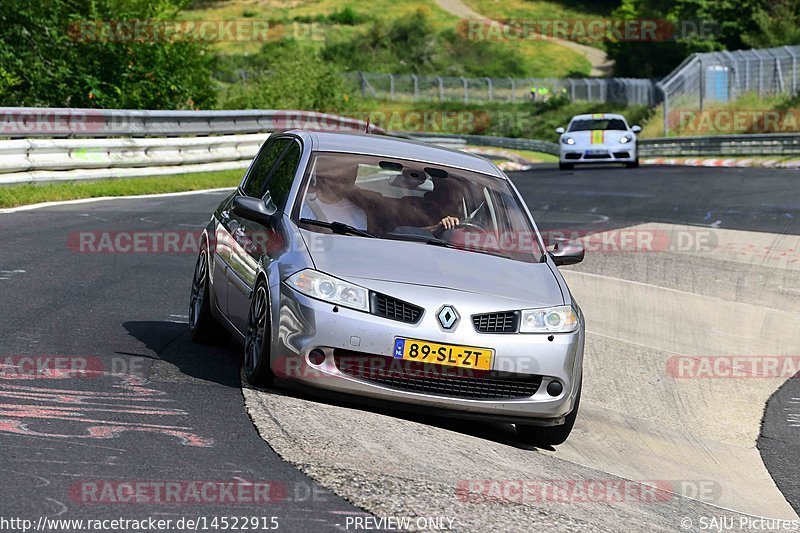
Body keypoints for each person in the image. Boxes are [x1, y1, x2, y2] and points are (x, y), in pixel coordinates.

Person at [300, 156, 368, 231]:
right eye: (331, 178)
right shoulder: (301, 204)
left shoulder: (357, 215)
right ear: (322, 177)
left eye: (344, 180)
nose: (336, 184)